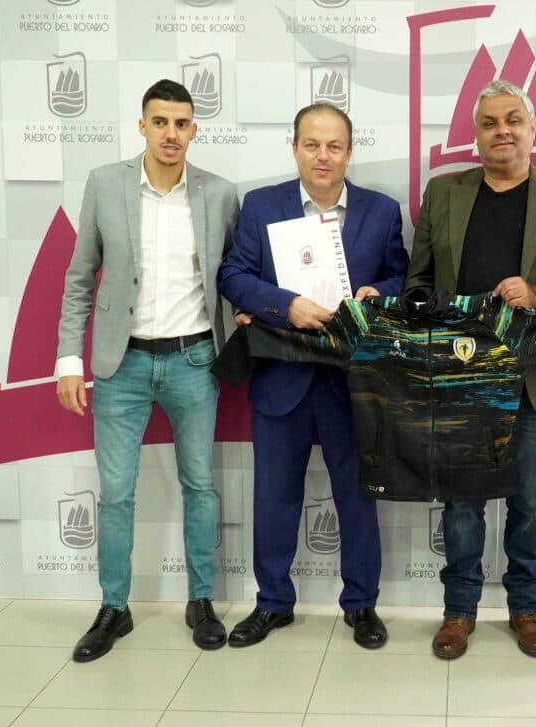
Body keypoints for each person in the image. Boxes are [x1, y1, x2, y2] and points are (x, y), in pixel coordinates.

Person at [406, 79, 536, 660]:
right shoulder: (443, 193)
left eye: (514, 120)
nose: (503, 131)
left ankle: (526, 608)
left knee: (530, 500)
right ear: (475, 134)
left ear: (533, 129)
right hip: (461, 373)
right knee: (461, 501)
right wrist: (432, 314)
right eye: (490, 122)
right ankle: (459, 610)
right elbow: (418, 281)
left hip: (534, 375)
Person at [56, 79, 240, 661]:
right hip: (122, 362)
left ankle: (201, 600)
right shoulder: (104, 183)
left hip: (194, 360)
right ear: (142, 126)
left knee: (199, 485)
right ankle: (115, 606)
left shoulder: (220, 193)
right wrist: (69, 360)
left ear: (194, 130)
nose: (171, 133)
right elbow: (79, 278)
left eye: (181, 123)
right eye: (160, 122)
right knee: (115, 494)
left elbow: (236, 278)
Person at [217, 102, 409, 649]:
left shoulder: (382, 211)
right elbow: (233, 274)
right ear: (295, 147)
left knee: (358, 497)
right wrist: (285, 305)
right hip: (283, 374)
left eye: (333, 146)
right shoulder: (262, 205)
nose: (322, 156)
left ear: (349, 152)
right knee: (274, 496)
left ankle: (362, 605)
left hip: (355, 380)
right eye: (312, 144)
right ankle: (272, 603)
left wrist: (379, 294)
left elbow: (401, 277)